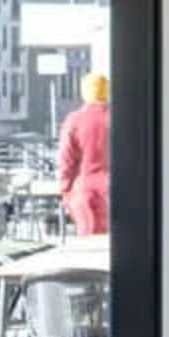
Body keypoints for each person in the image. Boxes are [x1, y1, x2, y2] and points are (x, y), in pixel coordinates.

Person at [55, 72, 114, 236]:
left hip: (85, 191)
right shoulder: (117, 118)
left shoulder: (74, 120)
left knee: (90, 246)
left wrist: (66, 191)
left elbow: (66, 160)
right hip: (116, 189)